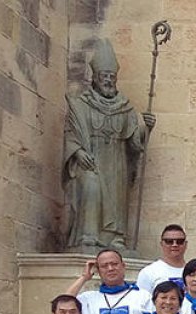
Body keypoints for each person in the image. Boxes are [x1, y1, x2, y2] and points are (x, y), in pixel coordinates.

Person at [62, 38, 154, 249]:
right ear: (95, 77)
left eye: (111, 76)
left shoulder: (125, 107)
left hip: (116, 160)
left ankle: (115, 238)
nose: (108, 80)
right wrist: (77, 152)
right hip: (91, 160)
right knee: (92, 189)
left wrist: (146, 127)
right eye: (104, 76)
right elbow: (70, 133)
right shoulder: (81, 104)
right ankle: (88, 235)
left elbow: (134, 140)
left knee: (116, 198)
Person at [69, 248, 152, 314]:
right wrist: (84, 277)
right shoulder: (88, 298)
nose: (110, 268)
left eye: (114, 264)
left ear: (123, 266)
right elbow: (63, 303)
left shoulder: (142, 296)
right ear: (98, 271)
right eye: (104, 266)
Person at [137, 224, 188, 293]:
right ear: (161, 244)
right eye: (169, 241)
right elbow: (142, 301)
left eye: (180, 241)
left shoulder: (195, 272)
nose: (174, 245)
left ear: (186, 244)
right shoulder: (148, 272)